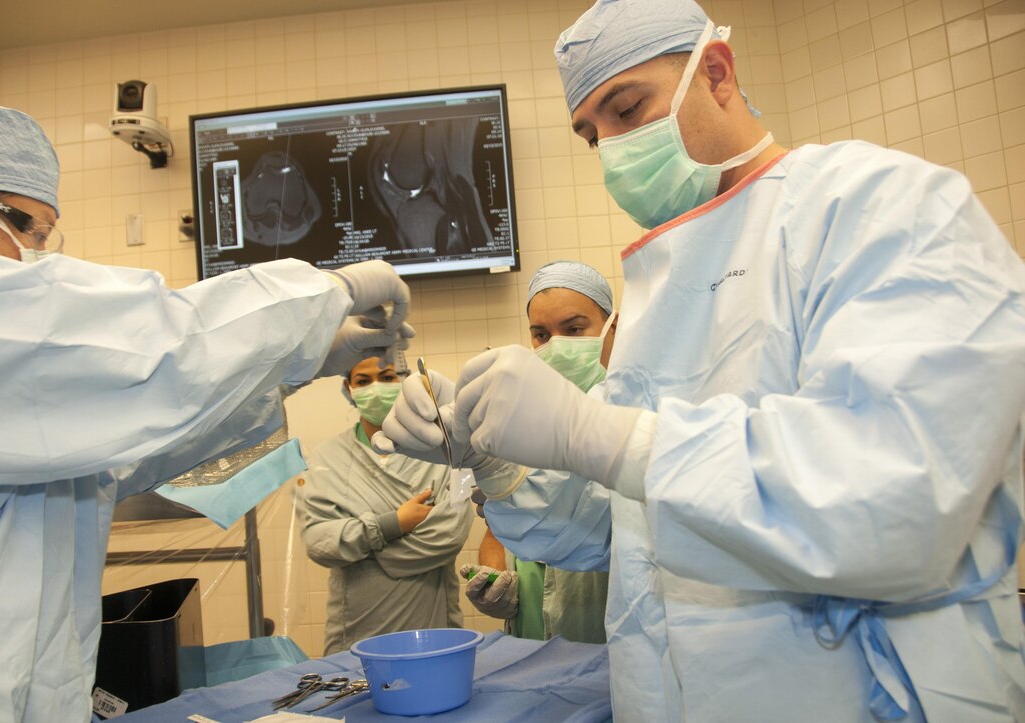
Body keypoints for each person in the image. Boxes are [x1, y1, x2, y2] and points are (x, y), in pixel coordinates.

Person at [375, 1, 1025, 720]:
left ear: (716, 72)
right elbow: (631, 527)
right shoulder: (656, 297)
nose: (614, 148)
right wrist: (494, 457)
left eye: (628, 109)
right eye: (593, 135)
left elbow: (899, 493)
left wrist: (602, 436)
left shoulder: (882, 208)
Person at [0, 99, 414, 722]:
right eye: (25, 229)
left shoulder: (6, 388)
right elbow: (159, 344)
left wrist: (295, 369)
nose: (35, 257)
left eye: (45, 238)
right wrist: (330, 290)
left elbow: (126, 457)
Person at [461, 260, 612, 645]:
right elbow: (497, 528)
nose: (555, 345)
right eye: (541, 335)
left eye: (574, 329)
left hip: (603, 632)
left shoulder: (634, 414)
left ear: (612, 328)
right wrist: (497, 579)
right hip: (530, 632)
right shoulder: (516, 421)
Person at [301, 356, 472, 654]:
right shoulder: (327, 459)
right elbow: (319, 543)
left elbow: (451, 534)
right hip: (356, 633)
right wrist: (393, 524)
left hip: (432, 627)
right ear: (347, 388)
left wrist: (369, 550)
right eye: (363, 381)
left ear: (405, 382)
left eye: (387, 377)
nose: (376, 388)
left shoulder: (440, 450)